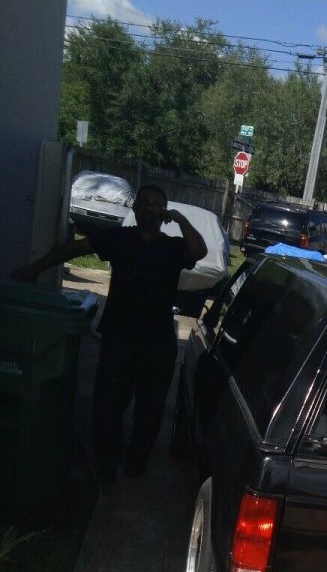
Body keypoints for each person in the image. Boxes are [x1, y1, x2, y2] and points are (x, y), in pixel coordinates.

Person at [13, 184, 207, 482]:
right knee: (107, 405)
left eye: (156, 204)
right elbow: (76, 249)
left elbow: (198, 251)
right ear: (135, 208)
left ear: (163, 211)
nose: (150, 208)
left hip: (158, 344)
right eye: (144, 202)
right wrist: (36, 268)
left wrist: (180, 219)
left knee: (150, 408)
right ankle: (107, 462)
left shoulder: (172, 247)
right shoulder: (119, 238)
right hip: (119, 337)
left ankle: (137, 460)